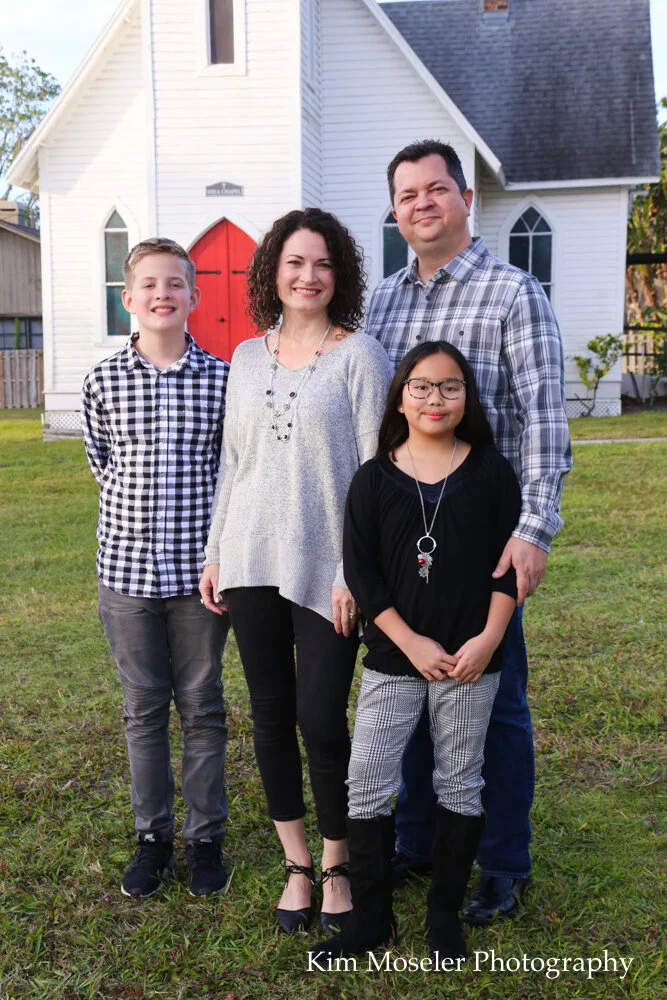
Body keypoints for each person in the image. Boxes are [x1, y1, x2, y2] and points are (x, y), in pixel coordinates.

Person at [365, 139, 572, 925]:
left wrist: (533, 531)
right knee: (411, 687)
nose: (422, 203)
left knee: (494, 699)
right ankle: (419, 840)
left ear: (465, 199)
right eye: (407, 194)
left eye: (436, 189)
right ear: (394, 211)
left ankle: (502, 861)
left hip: (485, 539)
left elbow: (543, 421)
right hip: (404, 537)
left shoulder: (512, 293)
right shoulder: (382, 304)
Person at [199, 208, 393, 935]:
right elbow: (234, 462)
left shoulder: (359, 356)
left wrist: (354, 571)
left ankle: (338, 864)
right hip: (249, 556)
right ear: (272, 273)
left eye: (322, 264)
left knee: (320, 717)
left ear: (339, 274)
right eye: (295, 263)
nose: (309, 276)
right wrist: (216, 551)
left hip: (326, 566)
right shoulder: (246, 357)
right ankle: (297, 865)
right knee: (271, 715)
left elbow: (377, 474)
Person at [309, 341, 521, 962]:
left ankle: (443, 917)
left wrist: (488, 640)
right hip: (395, 658)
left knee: (459, 781)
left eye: (451, 387)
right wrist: (410, 641)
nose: (436, 398)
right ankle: (372, 919)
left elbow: (508, 569)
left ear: (467, 398)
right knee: (367, 782)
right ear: (399, 398)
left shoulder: (490, 473)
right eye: (421, 386)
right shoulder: (374, 479)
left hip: (470, 662)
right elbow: (363, 576)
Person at [81, 238, 231, 900]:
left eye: (174, 283)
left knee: (201, 705)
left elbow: (230, 471)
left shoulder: (221, 380)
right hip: (126, 575)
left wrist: (217, 555)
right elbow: (102, 463)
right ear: (128, 298)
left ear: (194, 296)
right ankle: (153, 838)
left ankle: (205, 839)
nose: (161, 293)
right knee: (143, 708)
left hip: (200, 578)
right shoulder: (103, 382)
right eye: (148, 283)